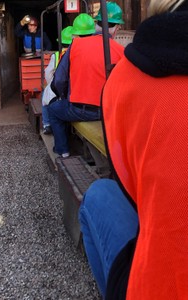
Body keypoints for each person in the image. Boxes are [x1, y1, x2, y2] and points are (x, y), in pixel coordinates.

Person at [79, 0, 188, 299]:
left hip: (158, 287)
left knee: (100, 193)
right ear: (113, 27)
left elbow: (58, 84)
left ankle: (60, 146)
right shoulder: (116, 51)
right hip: (96, 110)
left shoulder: (125, 71)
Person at [48, 9, 124, 157]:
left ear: (96, 24)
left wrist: (63, 96)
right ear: (116, 29)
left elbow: (59, 80)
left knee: (53, 110)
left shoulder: (75, 46)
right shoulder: (121, 50)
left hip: (80, 110)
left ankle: (62, 151)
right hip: (109, 111)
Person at [41, 26, 74, 135]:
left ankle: (47, 124)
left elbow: (48, 73)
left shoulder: (56, 55)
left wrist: (51, 85)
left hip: (59, 87)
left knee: (44, 95)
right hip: (74, 87)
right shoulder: (78, 53)